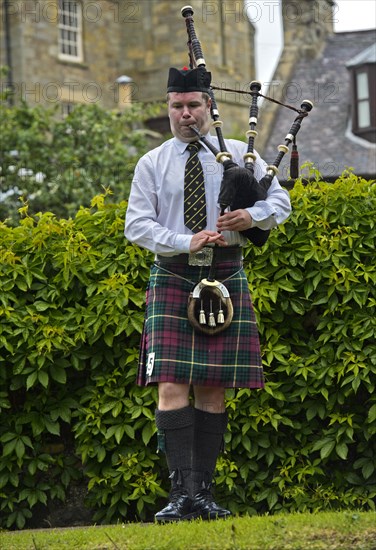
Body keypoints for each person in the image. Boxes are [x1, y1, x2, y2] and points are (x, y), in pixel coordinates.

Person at [124, 66, 291, 522]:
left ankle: (204, 494)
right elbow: (136, 225)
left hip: (225, 275)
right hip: (175, 276)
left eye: (194, 105)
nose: (186, 114)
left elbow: (280, 204)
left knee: (214, 389)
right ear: (169, 109)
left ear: (209, 107)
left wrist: (251, 218)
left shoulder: (242, 155)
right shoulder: (153, 162)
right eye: (177, 106)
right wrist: (185, 240)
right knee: (171, 385)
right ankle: (180, 495)